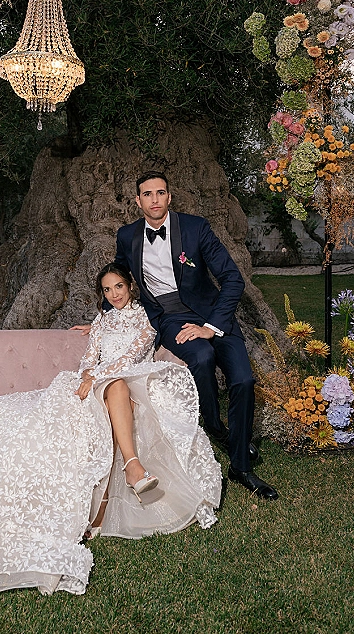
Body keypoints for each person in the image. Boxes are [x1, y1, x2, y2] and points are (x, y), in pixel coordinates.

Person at [0, 263, 222, 596]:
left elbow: (132, 357)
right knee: (34, 417)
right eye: (107, 290)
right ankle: (123, 479)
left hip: (133, 380)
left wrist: (100, 375)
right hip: (94, 383)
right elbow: (89, 357)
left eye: (118, 287)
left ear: (130, 286)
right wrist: (89, 374)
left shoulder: (147, 320)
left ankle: (128, 473)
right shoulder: (102, 320)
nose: (113, 295)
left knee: (118, 384)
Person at [115, 171, 278, 500]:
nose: (155, 199)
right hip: (170, 317)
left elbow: (232, 279)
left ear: (169, 197)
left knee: (243, 380)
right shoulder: (127, 236)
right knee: (201, 357)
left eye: (161, 193)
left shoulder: (195, 227)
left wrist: (211, 325)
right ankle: (219, 430)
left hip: (212, 314)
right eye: (148, 194)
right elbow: (117, 277)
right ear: (138, 201)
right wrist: (103, 317)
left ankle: (239, 467)